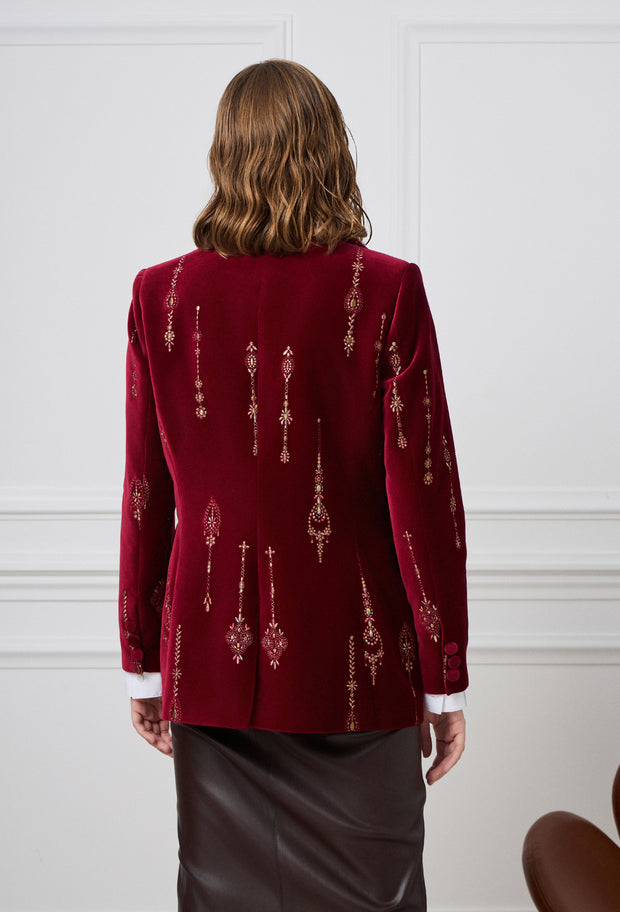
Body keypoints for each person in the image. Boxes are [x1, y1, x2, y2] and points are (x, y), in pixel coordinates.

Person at [119, 58, 468, 912]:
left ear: (225, 155)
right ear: (330, 151)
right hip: (357, 660)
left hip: (210, 658)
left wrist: (143, 664)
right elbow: (425, 501)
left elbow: (145, 497)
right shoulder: (386, 290)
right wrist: (444, 678)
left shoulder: (162, 297)